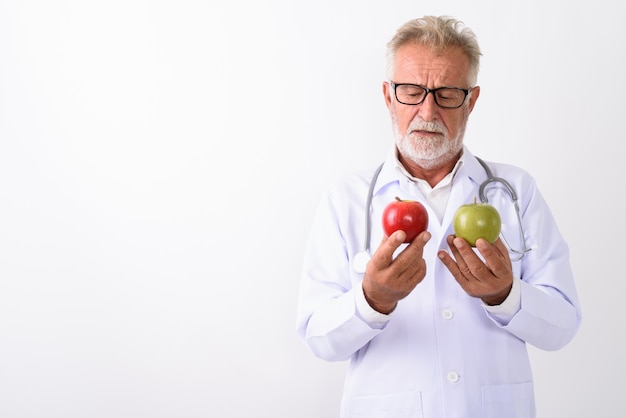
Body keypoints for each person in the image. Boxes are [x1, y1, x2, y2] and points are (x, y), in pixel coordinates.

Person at [296, 15, 581, 418]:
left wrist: (506, 296)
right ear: (388, 96)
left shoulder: (515, 191)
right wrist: (372, 300)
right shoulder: (346, 199)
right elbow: (318, 338)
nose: (427, 110)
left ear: (472, 99)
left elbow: (563, 326)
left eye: (447, 93)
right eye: (412, 90)